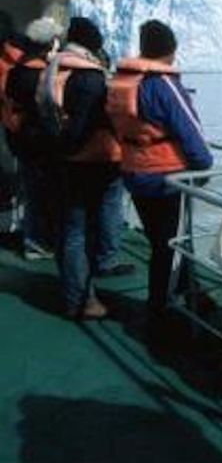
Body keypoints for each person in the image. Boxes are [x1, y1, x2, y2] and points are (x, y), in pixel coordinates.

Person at [106, 19, 212, 325]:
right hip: (166, 176)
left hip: (133, 171)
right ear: (171, 50)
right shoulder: (163, 85)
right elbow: (189, 130)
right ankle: (161, 310)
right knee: (171, 245)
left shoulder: (124, 81)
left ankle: (190, 291)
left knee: (159, 239)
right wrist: (202, 166)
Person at [38, 17, 131, 319]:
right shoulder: (89, 78)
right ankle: (81, 300)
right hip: (89, 162)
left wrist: (58, 147)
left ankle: (74, 294)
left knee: (70, 229)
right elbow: (84, 125)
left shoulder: (55, 67)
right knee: (80, 232)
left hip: (60, 158)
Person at [2, 17, 62, 260]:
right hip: (38, 141)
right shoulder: (39, 75)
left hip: (20, 137)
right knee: (41, 191)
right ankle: (37, 241)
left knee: (32, 189)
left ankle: (34, 237)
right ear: (48, 44)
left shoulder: (17, 70)